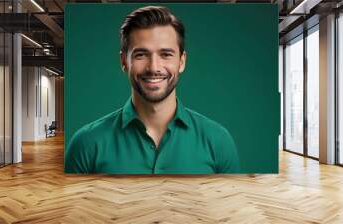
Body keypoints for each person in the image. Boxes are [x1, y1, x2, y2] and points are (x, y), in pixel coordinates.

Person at [65, 6, 239, 174]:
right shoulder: (85, 143)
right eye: (141, 54)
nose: (154, 67)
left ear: (182, 61)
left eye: (166, 54)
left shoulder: (218, 141)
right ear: (124, 62)